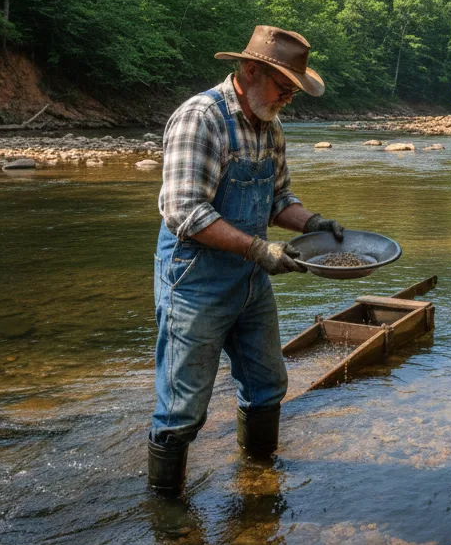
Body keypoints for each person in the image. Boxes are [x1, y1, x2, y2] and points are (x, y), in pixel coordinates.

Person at [148, 25, 345, 496]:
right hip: (195, 282)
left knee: (267, 383)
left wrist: (313, 223)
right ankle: (166, 512)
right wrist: (260, 250)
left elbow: (279, 200)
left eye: (294, 91)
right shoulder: (202, 118)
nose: (288, 99)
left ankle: (258, 481)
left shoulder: (270, 126)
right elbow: (185, 212)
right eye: (284, 87)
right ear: (251, 70)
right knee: (182, 409)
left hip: (251, 280)